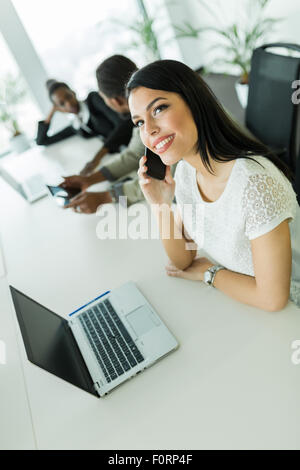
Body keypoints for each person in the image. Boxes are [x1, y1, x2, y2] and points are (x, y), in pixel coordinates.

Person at [126, 59, 300, 311]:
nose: (149, 130)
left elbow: (272, 298)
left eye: (159, 109)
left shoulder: (254, 183)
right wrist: (160, 204)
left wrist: (210, 273)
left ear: (194, 102)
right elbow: (183, 259)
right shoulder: (186, 172)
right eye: (140, 122)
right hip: (245, 302)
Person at [61, 55, 145, 213]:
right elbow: (135, 153)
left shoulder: (155, 119)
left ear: (115, 101)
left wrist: (105, 198)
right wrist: (89, 180)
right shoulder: (146, 114)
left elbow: (169, 182)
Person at [36, 79, 133, 175]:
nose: (69, 104)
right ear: (59, 108)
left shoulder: (93, 100)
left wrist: (97, 159)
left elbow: (122, 124)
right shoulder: (76, 125)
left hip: (135, 143)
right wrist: (51, 113)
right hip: (123, 156)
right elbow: (42, 141)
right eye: (62, 104)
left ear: (73, 93)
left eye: (68, 97)